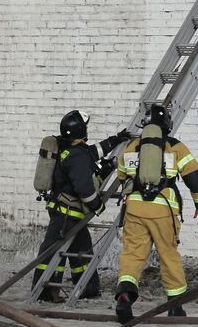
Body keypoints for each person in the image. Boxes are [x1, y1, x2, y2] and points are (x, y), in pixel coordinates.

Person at [113, 105, 198, 323]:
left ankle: (124, 296)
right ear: (166, 123)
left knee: (132, 254)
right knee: (168, 254)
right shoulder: (175, 147)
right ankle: (175, 307)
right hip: (163, 210)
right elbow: (195, 178)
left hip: (135, 209)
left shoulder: (130, 147)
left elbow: (123, 178)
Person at [32, 110, 130, 301]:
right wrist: (97, 206)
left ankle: (88, 289)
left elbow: (93, 152)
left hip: (64, 211)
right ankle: (45, 292)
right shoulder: (78, 156)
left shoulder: (70, 149)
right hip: (68, 215)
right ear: (80, 131)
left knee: (82, 251)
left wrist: (115, 139)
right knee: (52, 252)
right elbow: (84, 189)